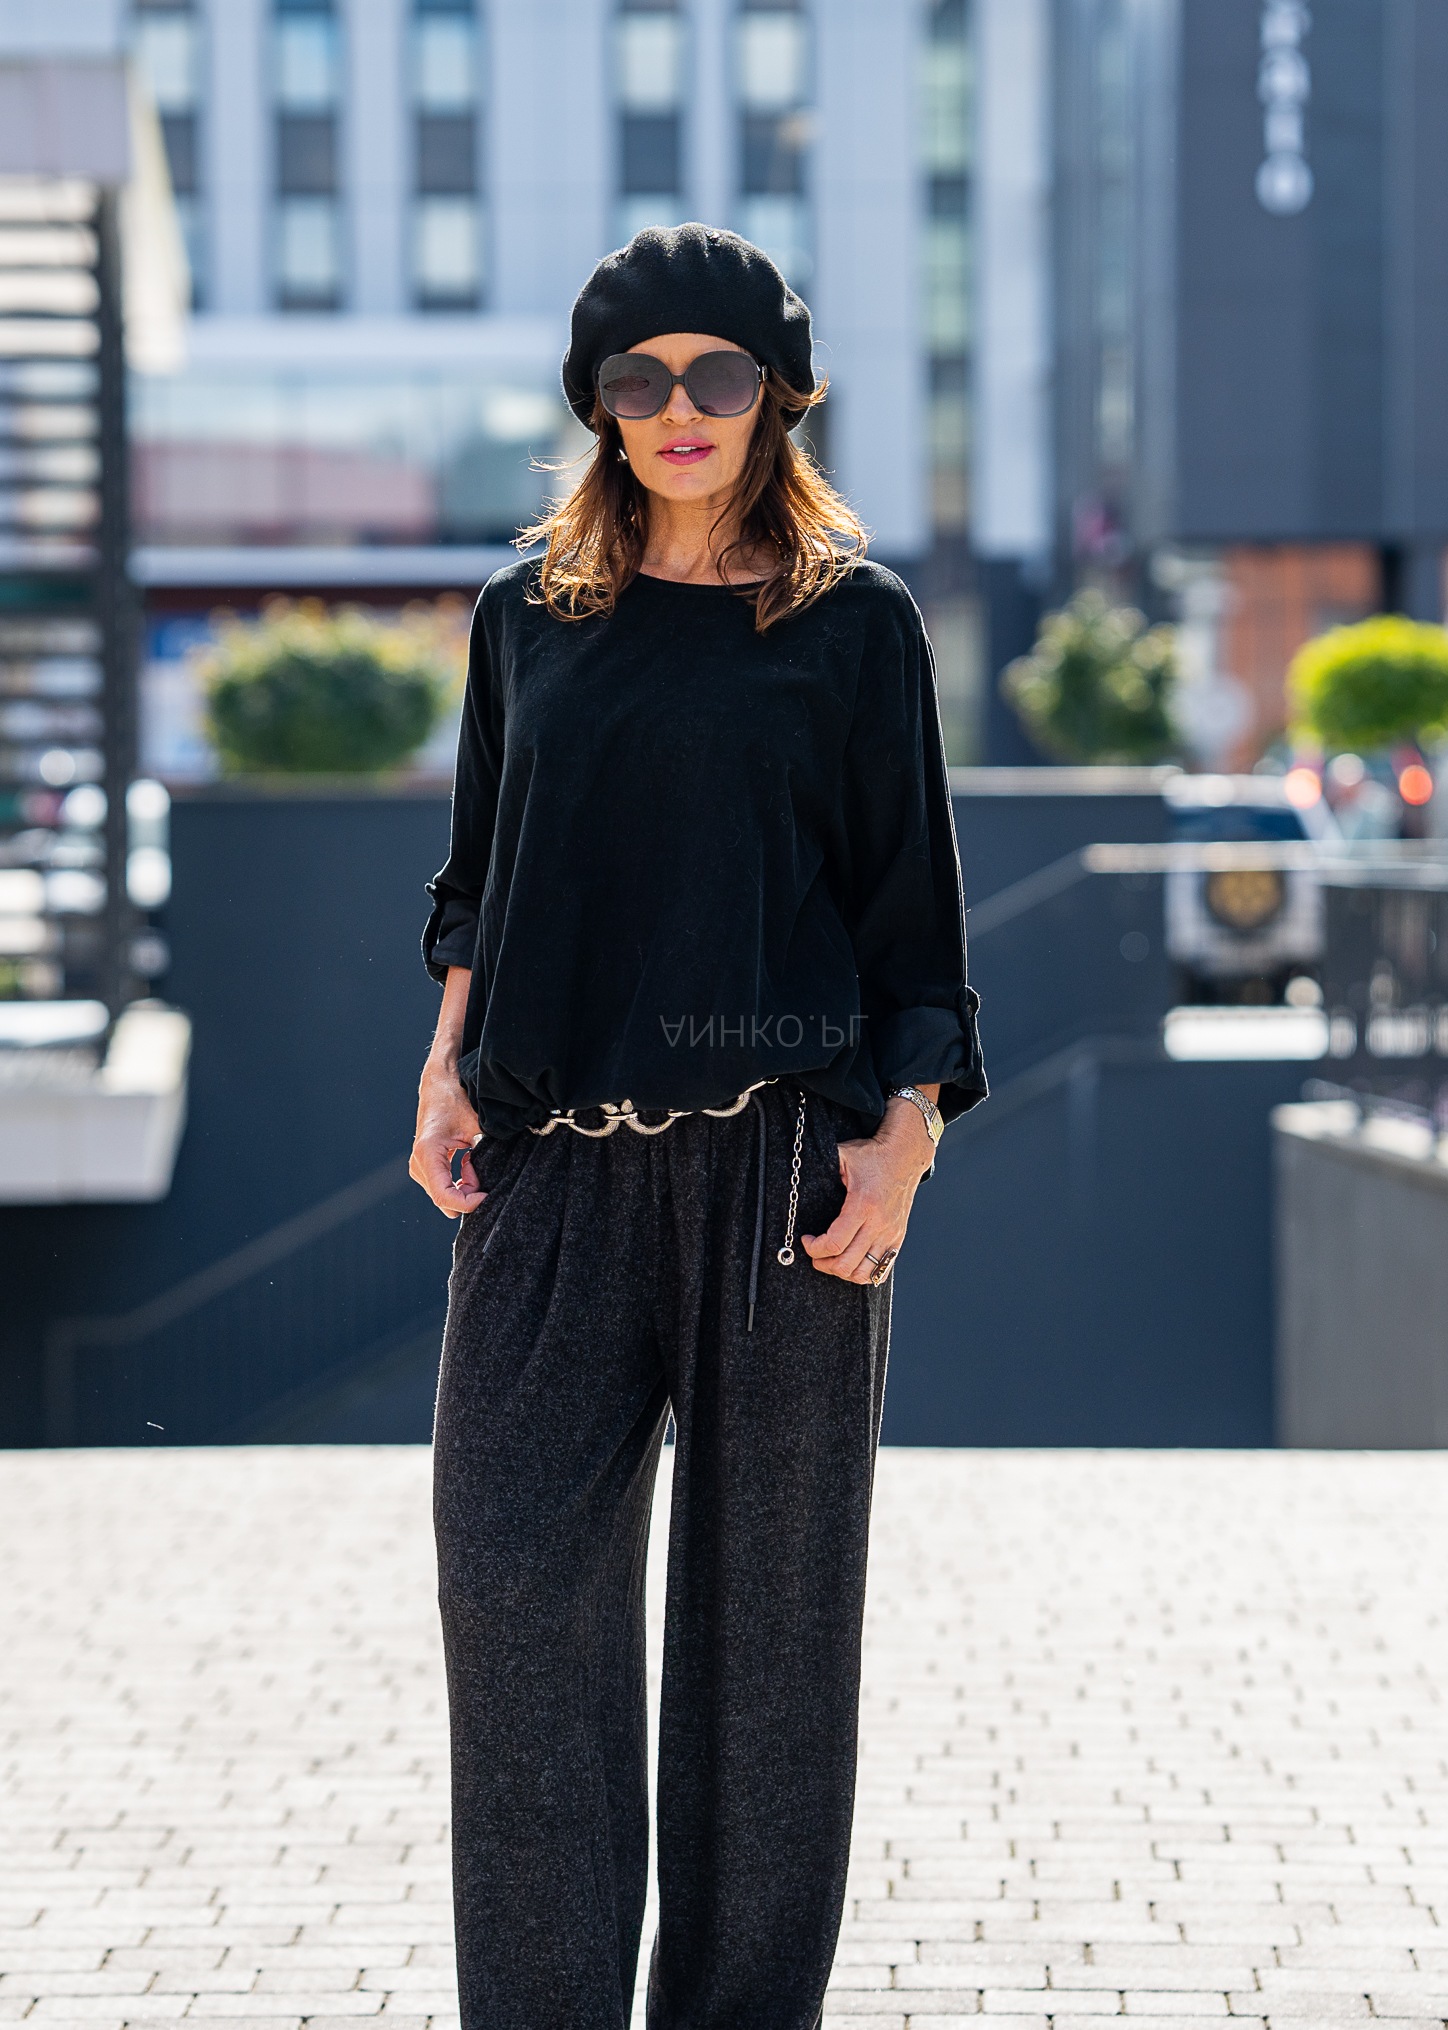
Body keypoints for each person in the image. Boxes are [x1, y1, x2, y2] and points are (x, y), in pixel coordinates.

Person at [411, 224, 987, 2030]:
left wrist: (903, 1136)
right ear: (596, 402)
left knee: (770, 1642)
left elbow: (911, 916)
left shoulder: (852, 624)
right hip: (550, 1165)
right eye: (638, 376)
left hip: (782, 1170)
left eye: (717, 373)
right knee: (513, 1584)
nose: (679, 407)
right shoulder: (526, 618)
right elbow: (478, 879)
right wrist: (444, 1066)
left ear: (777, 396)